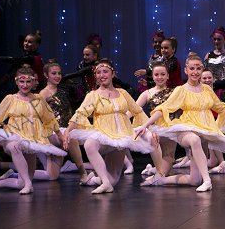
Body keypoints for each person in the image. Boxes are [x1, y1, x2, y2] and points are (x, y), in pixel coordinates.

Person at [136, 54, 225, 192]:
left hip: (204, 131)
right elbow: (164, 108)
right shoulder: (181, 90)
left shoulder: (207, 90)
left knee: (195, 180)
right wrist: (146, 125)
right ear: (186, 70)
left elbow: (222, 109)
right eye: (192, 68)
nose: (195, 72)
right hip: (186, 130)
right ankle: (207, 181)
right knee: (194, 139)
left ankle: (160, 180)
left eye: (198, 68)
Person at [61, 59, 156, 194]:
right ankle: (105, 183)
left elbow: (138, 111)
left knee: (113, 180)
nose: (102, 75)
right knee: (90, 144)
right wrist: (68, 130)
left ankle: (93, 180)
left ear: (113, 74)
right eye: (98, 72)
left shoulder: (123, 93)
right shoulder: (93, 95)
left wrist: (150, 129)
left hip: (121, 138)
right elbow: (80, 113)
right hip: (103, 135)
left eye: (105, 71)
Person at [0, 66, 66, 194]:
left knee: (21, 183)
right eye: (22, 81)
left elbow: (50, 119)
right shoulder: (11, 99)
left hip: (31, 141)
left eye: (28, 81)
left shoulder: (39, 99)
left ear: (33, 82)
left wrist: (60, 136)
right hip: (13, 137)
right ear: (16, 82)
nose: (25, 85)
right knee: (14, 146)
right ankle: (29, 184)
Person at [37, 60, 88, 182]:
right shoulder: (43, 94)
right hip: (52, 132)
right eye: (54, 73)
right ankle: (83, 173)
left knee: (52, 176)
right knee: (71, 139)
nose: (57, 76)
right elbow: (41, 116)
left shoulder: (64, 90)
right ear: (46, 75)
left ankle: (16, 175)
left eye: (59, 73)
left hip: (66, 128)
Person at [135, 61, 177, 177]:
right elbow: (134, 109)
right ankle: (157, 171)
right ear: (152, 77)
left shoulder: (174, 92)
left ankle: (155, 171)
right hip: (154, 128)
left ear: (168, 76)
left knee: (168, 157)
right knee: (163, 167)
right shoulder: (147, 93)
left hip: (170, 127)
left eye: (163, 74)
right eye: (156, 74)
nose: (159, 77)